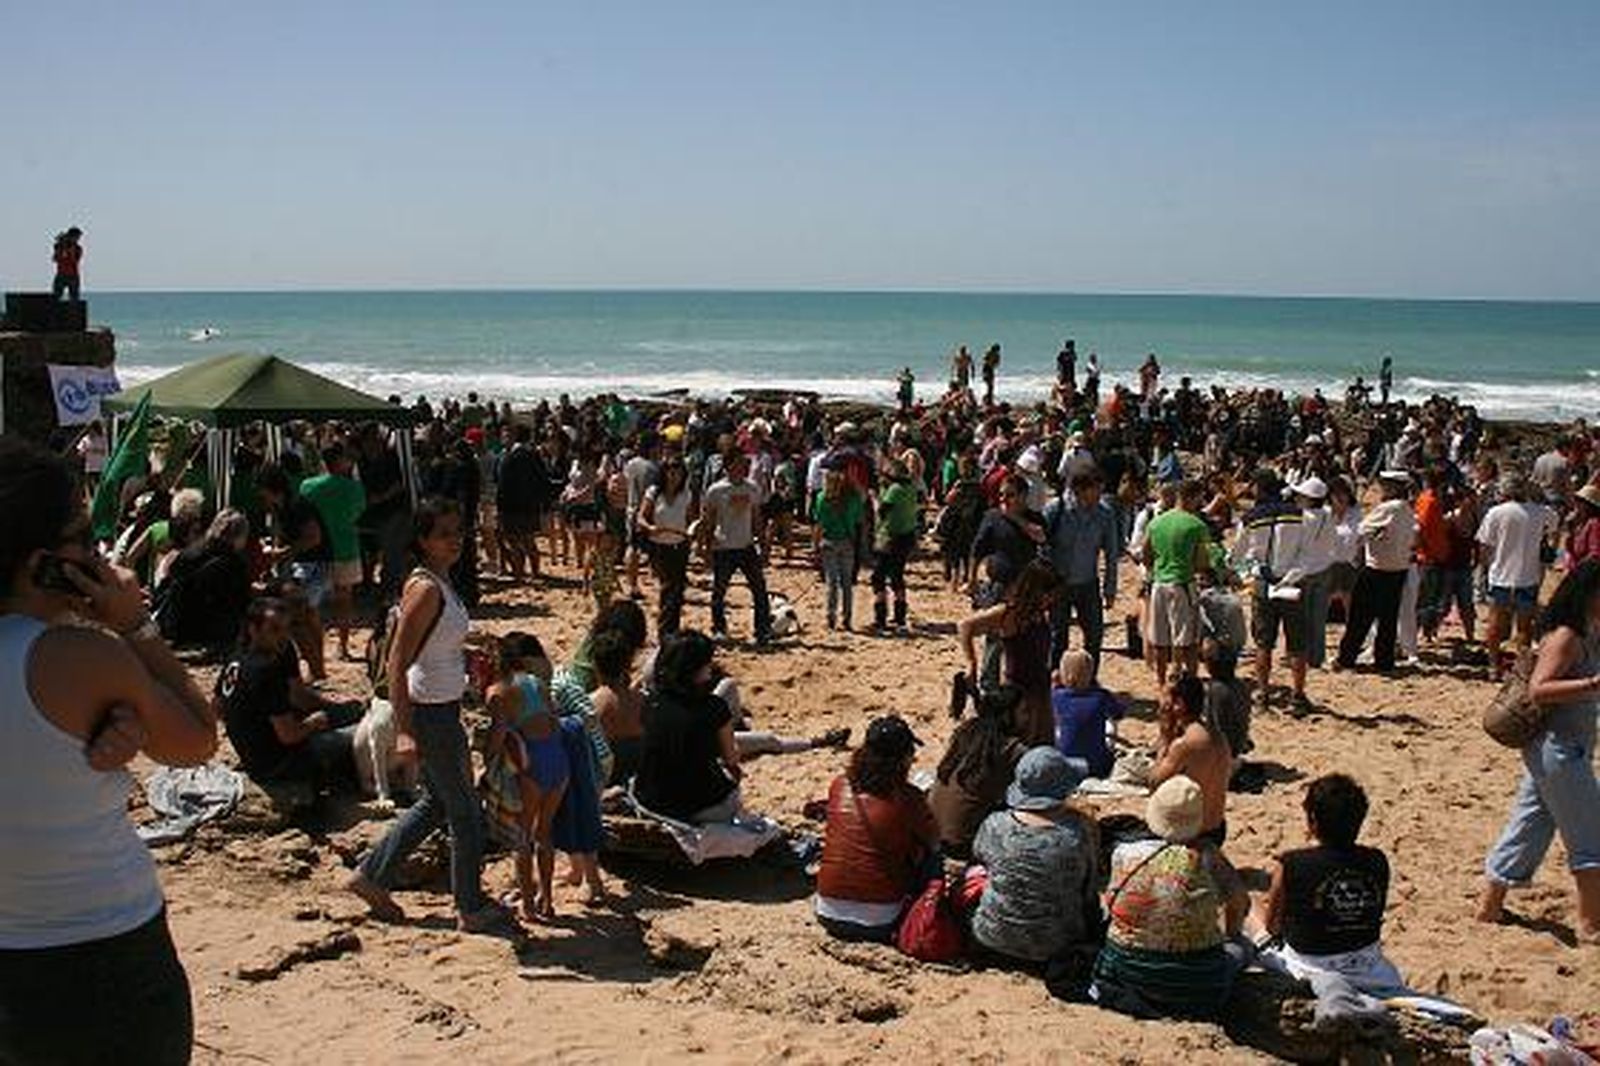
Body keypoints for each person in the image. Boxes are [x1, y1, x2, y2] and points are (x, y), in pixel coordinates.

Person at [0, 436, 216, 1065]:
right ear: (44, 562)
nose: (97, 550)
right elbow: (197, 738)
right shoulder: (80, 658)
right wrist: (133, 628)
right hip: (102, 948)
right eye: (83, 536)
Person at [348, 498, 504, 933]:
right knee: (466, 813)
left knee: (437, 803)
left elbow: (426, 647)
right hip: (429, 713)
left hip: (440, 705)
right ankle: (470, 907)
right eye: (444, 534)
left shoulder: (438, 581)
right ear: (423, 540)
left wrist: (464, 650)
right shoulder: (427, 588)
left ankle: (371, 874)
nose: (455, 540)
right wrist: (404, 730)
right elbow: (398, 661)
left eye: (458, 531)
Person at [1476, 559, 1600, 944]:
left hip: (1560, 747)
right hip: (1557, 749)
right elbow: (1539, 690)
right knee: (1589, 836)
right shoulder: (1566, 636)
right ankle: (1591, 923)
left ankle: (1489, 906)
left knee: (1529, 827)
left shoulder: (1587, 632)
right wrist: (1593, 683)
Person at [1090, 775, 1250, 1021]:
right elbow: (1239, 902)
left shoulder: (1124, 853)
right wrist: (1232, 934)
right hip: (1193, 982)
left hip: (1126, 969)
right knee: (1242, 950)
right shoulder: (1207, 856)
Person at [1252, 774, 1403, 992]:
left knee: (1250, 906)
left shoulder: (1292, 864)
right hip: (1368, 966)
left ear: (1313, 821)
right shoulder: (1377, 860)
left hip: (1309, 966)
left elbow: (1272, 926)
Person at [218, 597, 364, 797]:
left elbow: (216, 708)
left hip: (252, 756)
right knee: (359, 736)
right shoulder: (265, 670)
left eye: (286, 629)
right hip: (279, 764)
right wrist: (312, 723)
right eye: (275, 629)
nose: (284, 636)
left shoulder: (235, 659)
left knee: (347, 718)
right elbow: (289, 735)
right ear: (254, 629)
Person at [969, 747, 1100, 966]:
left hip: (993, 938)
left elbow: (981, 860)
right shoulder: (1079, 833)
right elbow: (1088, 893)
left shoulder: (996, 824)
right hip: (1057, 946)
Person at [814, 715, 940, 943]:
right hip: (881, 919)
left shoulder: (839, 785)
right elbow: (933, 841)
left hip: (827, 911)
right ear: (903, 759)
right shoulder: (908, 797)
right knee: (931, 858)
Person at [486, 632, 569, 922]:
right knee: (545, 832)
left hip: (531, 760)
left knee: (522, 837)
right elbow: (555, 722)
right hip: (557, 759)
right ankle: (546, 899)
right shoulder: (537, 683)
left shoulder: (498, 691)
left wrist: (489, 762)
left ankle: (528, 907)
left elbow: (497, 735)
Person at [634, 630, 743, 823]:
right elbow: (731, 759)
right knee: (732, 786)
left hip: (649, 801)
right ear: (696, 668)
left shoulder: (649, 702)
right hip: (697, 806)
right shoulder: (713, 707)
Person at [1231, 469, 1310, 712]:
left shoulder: (1251, 518)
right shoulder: (1299, 516)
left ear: (1259, 488)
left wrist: (1248, 574)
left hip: (1264, 583)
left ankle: (1263, 693)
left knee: (1263, 643)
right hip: (1292, 582)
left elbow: (1237, 556)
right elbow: (1307, 552)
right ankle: (1297, 695)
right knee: (1297, 643)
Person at [958, 558, 1060, 745]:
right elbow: (965, 626)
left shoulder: (1039, 612)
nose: (1051, 599)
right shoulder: (1008, 614)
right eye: (1048, 594)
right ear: (1035, 590)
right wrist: (971, 664)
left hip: (1041, 690)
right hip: (1017, 694)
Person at [929, 686, 1030, 860]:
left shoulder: (966, 733)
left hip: (933, 835)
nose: (1027, 717)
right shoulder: (1012, 750)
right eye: (1022, 712)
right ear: (1007, 715)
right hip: (964, 845)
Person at [1042, 467, 1121, 675]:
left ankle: (1089, 680)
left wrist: (1110, 588)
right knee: (1057, 637)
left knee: (1094, 636)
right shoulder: (1055, 510)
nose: (1099, 495)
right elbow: (1040, 548)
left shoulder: (1104, 514)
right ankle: (1055, 683)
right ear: (1079, 489)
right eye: (1096, 489)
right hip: (1058, 585)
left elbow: (1111, 555)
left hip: (1088, 584)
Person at [1335, 471, 1416, 674]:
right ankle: (1384, 660)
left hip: (1377, 569)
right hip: (1399, 569)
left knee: (1360, 617)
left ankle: (1346, 658)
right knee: (1388, 618)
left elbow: (1361, 531)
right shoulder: (1407, 509)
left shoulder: (1388, 508)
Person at [1478, 473, 1558, 677]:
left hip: (1500, 576)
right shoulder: (1541, 512)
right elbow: (1556, 524)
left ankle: (1493, 666)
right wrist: (1548, 545)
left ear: (1505, 491)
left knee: (1495, 623)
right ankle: (1520, 669)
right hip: (1528, 577)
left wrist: (1485, 568)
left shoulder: (1496, 513)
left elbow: (1485, 546)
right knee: (1524, 626)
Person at [299, 442, 368, 661]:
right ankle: (344, 646)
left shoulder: (307, 486)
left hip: (315, 549)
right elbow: (359, 513)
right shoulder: (354, 487)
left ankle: (312, 648)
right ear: (340, 461)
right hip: (345, 548)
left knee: (312, 604)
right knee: (344, 600)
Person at [153, 508, 253, 653]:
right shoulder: (234, 563)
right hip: (211, 631)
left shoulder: (189, 552)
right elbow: (242, 602)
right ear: (238, 537)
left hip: (177, 625)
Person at [1142, 480, 1212, 686]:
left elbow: (1146, 556)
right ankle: (1186, 678)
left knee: (1160, 638)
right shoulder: (1196, 525)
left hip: (1158, 584)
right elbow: (1201, 562)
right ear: (1193, 496)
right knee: (1186, 638)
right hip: (1182, 583)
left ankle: (1162, 682)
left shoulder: (1156, 522)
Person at [1149, 675, 1232, 846]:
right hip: (1217, 828)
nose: (1161, 703)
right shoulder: (1219, 737)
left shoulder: (1184, 745)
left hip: (1192, 833)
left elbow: (1154, 782)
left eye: (1165, 697)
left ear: (1179, 704)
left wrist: (1165, 739)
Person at [701, 452, 773, 644]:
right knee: (719, 591)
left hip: (746, 545)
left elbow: (757, 518)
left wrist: (763, 543)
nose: (743, 468)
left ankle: (763, 629)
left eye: (744, 464)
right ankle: (719, 628)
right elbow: (709, 521)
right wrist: (706, 548)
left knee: (759, 589)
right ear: (728, 466)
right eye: (739, 464)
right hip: (723, 546)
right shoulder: (715, 490)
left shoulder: (752, 488)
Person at [637, 455, 695, 636]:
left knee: (676, 589)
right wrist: (650, 528)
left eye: (677, 470)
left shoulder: (686, 494)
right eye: (670, 469)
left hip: (679, 544)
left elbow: (691, 519)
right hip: (659, 546)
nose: (673, 474)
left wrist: (693, 534)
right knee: (667, 587)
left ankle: (669, 629)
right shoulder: (654, 492)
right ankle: (666, 629)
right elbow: (640, 517)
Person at [1051, 649, 1122, 778]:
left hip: (1065, 764)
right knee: (1109, 723)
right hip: (1098, 766)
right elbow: (1118, 714)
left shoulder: (1056, 696)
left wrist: (1054, 686)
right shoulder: (1101, 696)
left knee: (1059, 724)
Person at [812, 465, 864, 631]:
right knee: (847, 583)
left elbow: (818, 526)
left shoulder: (821, 498)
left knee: (832, 583)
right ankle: (847, 618)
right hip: (847, 542)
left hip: (828, 543)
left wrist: (815, 547)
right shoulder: (852, 499)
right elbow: (859, 517)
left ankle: (831, 617)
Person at [870, 460, 919, 635]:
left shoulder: (894, 490)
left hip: (890, 538)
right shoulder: (911, 487)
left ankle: (880, 619)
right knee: (897, 576)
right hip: (907, 536)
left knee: (878, 577)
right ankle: (900, 618)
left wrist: (874, 498)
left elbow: (882, 512)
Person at [51, 227, 83, 301]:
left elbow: (74, 260)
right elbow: (55, 259)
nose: (78, 239)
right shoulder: (60, 246)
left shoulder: (78, 248)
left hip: (73, 275)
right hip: (61, 274)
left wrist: (70, 248)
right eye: (77, 237)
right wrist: (61, 247)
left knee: (74, 299)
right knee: (56, 297)